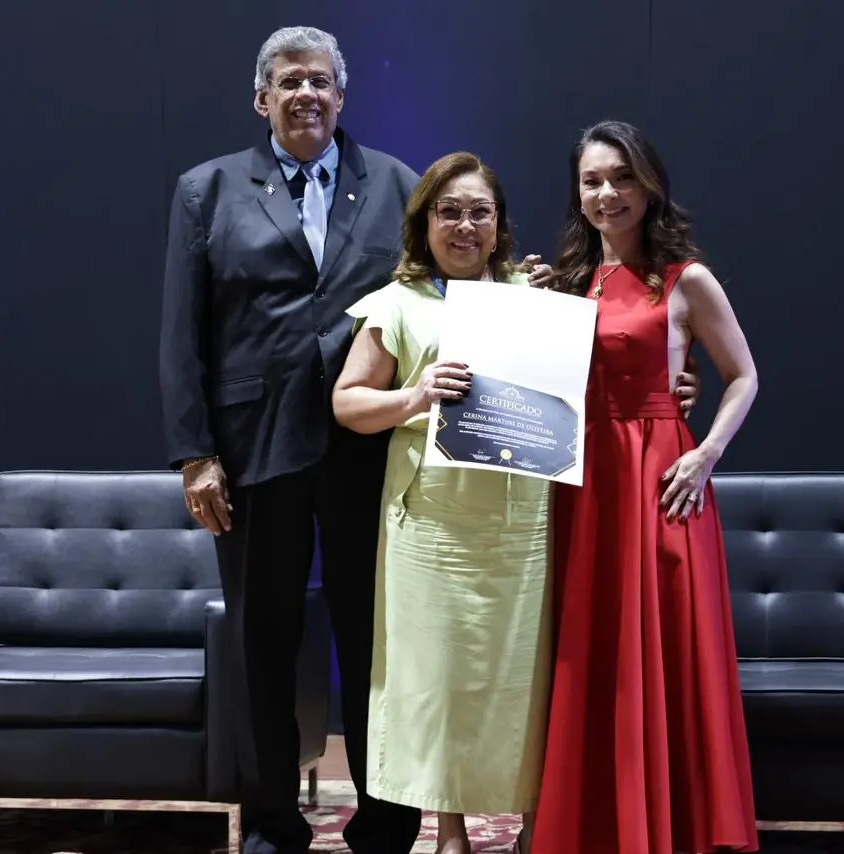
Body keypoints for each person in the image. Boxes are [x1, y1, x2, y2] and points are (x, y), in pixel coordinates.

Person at [158, 26, 562, 854]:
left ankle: (386, 818)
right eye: (288, 81)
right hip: (253, 448)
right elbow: (180, 331)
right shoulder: (207, 189)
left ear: (342, 97)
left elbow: (453, 279)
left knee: (379, 639)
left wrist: (527, 292)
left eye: (320, 82)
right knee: (262, 638)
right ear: (261, 98)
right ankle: (272, 818)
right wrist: (194, 452)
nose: (305, 94)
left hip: (371, 452)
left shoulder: (398, 184)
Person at [529, 120, 761, 854]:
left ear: (649, 184)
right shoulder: (568, 280)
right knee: (590, 649)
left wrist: (706, 455)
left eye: (621, 178)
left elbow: (745, 377)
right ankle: (594, 824)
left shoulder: (684, 276)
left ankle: (671, 826)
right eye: (593, 180)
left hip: (658, 473)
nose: (607, 194)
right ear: (578, 191)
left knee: (662, 649)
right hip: (583, 478)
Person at [331, 152, 552, 854]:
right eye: (448, 211)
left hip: (522, 526)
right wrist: (417, 395)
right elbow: (347, 403)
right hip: (431, 527)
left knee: (525, 680)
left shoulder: (533, 295)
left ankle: (531, 825)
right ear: (424, 222)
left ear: (500, 225)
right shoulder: (395, 302)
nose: (464, 225)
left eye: (479, 212)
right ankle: (450, 832)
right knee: (443, 688)